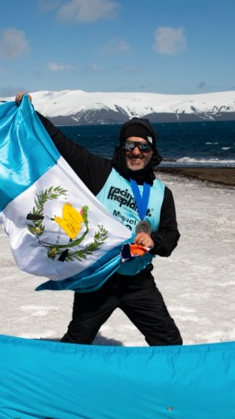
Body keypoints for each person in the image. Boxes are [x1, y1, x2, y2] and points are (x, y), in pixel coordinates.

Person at [15, 92, 183, 346]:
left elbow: (170, 238)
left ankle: (167, 384)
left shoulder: (162, 194)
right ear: (122, 148)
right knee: (77, 341)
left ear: (152, 151)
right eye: (130, 145)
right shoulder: (102, 172)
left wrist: (153, 240)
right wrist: (30, 113)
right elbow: (63, 145)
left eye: (143, 146)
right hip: (98, 279)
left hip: (138, 280)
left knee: (169, 342)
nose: (136, 152)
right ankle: (60, 381)